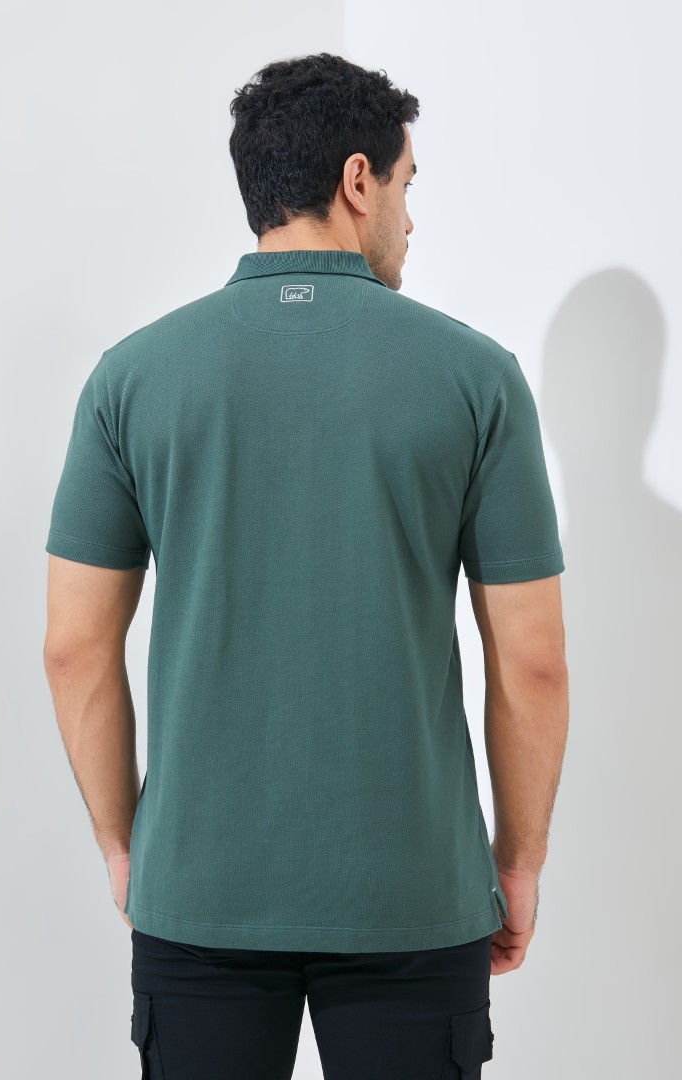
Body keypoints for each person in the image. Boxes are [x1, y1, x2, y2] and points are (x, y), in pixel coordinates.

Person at [42, 51, 569, 1080]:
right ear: (358, 180)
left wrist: (124, 846)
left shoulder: (130, 379)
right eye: (407, 185)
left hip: (199, 889)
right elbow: (534, 661)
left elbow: (73, 647)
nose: (410, 218)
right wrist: (518, 863)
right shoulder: (477, 378)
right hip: (414, 894)